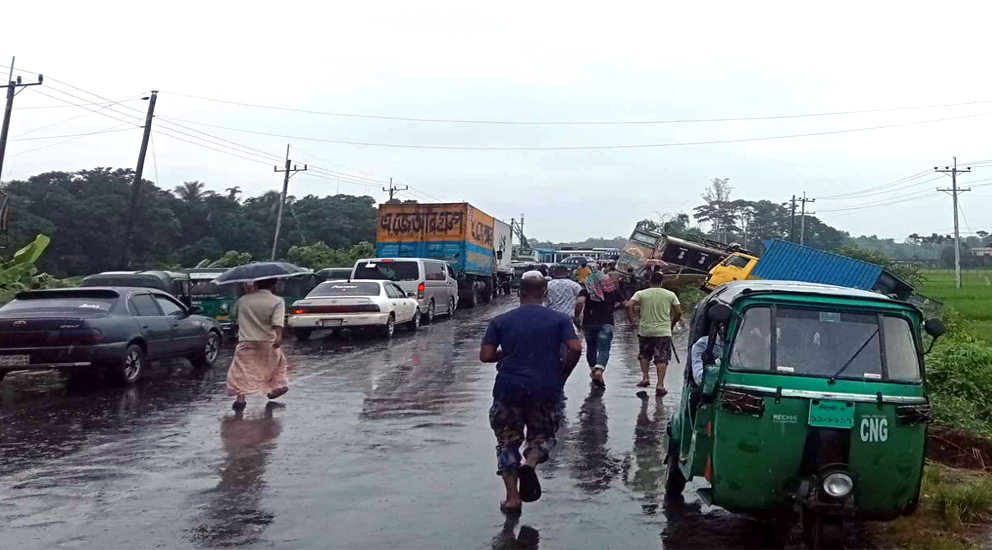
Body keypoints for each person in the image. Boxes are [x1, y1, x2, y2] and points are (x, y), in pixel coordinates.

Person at [480, 272, 582, 515]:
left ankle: (512, 498)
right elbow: (575, 348)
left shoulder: (500, 320)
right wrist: (562, 374)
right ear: (545, 293)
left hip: (508, 389)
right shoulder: (558, 320)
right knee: (542, 436)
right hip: (546, 389)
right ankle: (531, 462)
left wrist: (506, 355)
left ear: (519, 292)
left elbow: (486, 355)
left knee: (507, 442)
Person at [226, 278, 291, 411]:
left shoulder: (243, 300)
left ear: (255, 283)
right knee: (273, 367)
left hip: (246, 341)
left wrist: (247, 293)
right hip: (268, 342)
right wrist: (279, 337)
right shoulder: (277, 301)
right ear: (274, 284)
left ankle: (240, 399)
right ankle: (273, 389)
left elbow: (233, 315)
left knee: (242, 370)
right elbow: (277, 322)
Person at [626, 271, 682, 396]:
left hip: (645, 330)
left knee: (645, 355)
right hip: (663, 331)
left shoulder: (640, 294)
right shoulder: (670, 294)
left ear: (649, 281)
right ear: (662, 282)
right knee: (662, 357)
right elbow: (678, 311)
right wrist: (671, 324)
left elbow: (629, 305)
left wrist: (632, 322)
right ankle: (660, 384)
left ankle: (645, 378)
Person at [575, 262, 625, 389]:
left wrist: (576, 316)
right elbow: (627, 304)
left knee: (591, 348)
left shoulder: (586, 289)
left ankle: (594, 371)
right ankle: (599, 371)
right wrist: (614, 309)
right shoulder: (613, 289)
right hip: (606, 323)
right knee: (604, 348)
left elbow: (580, 302)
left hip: (589, 323)